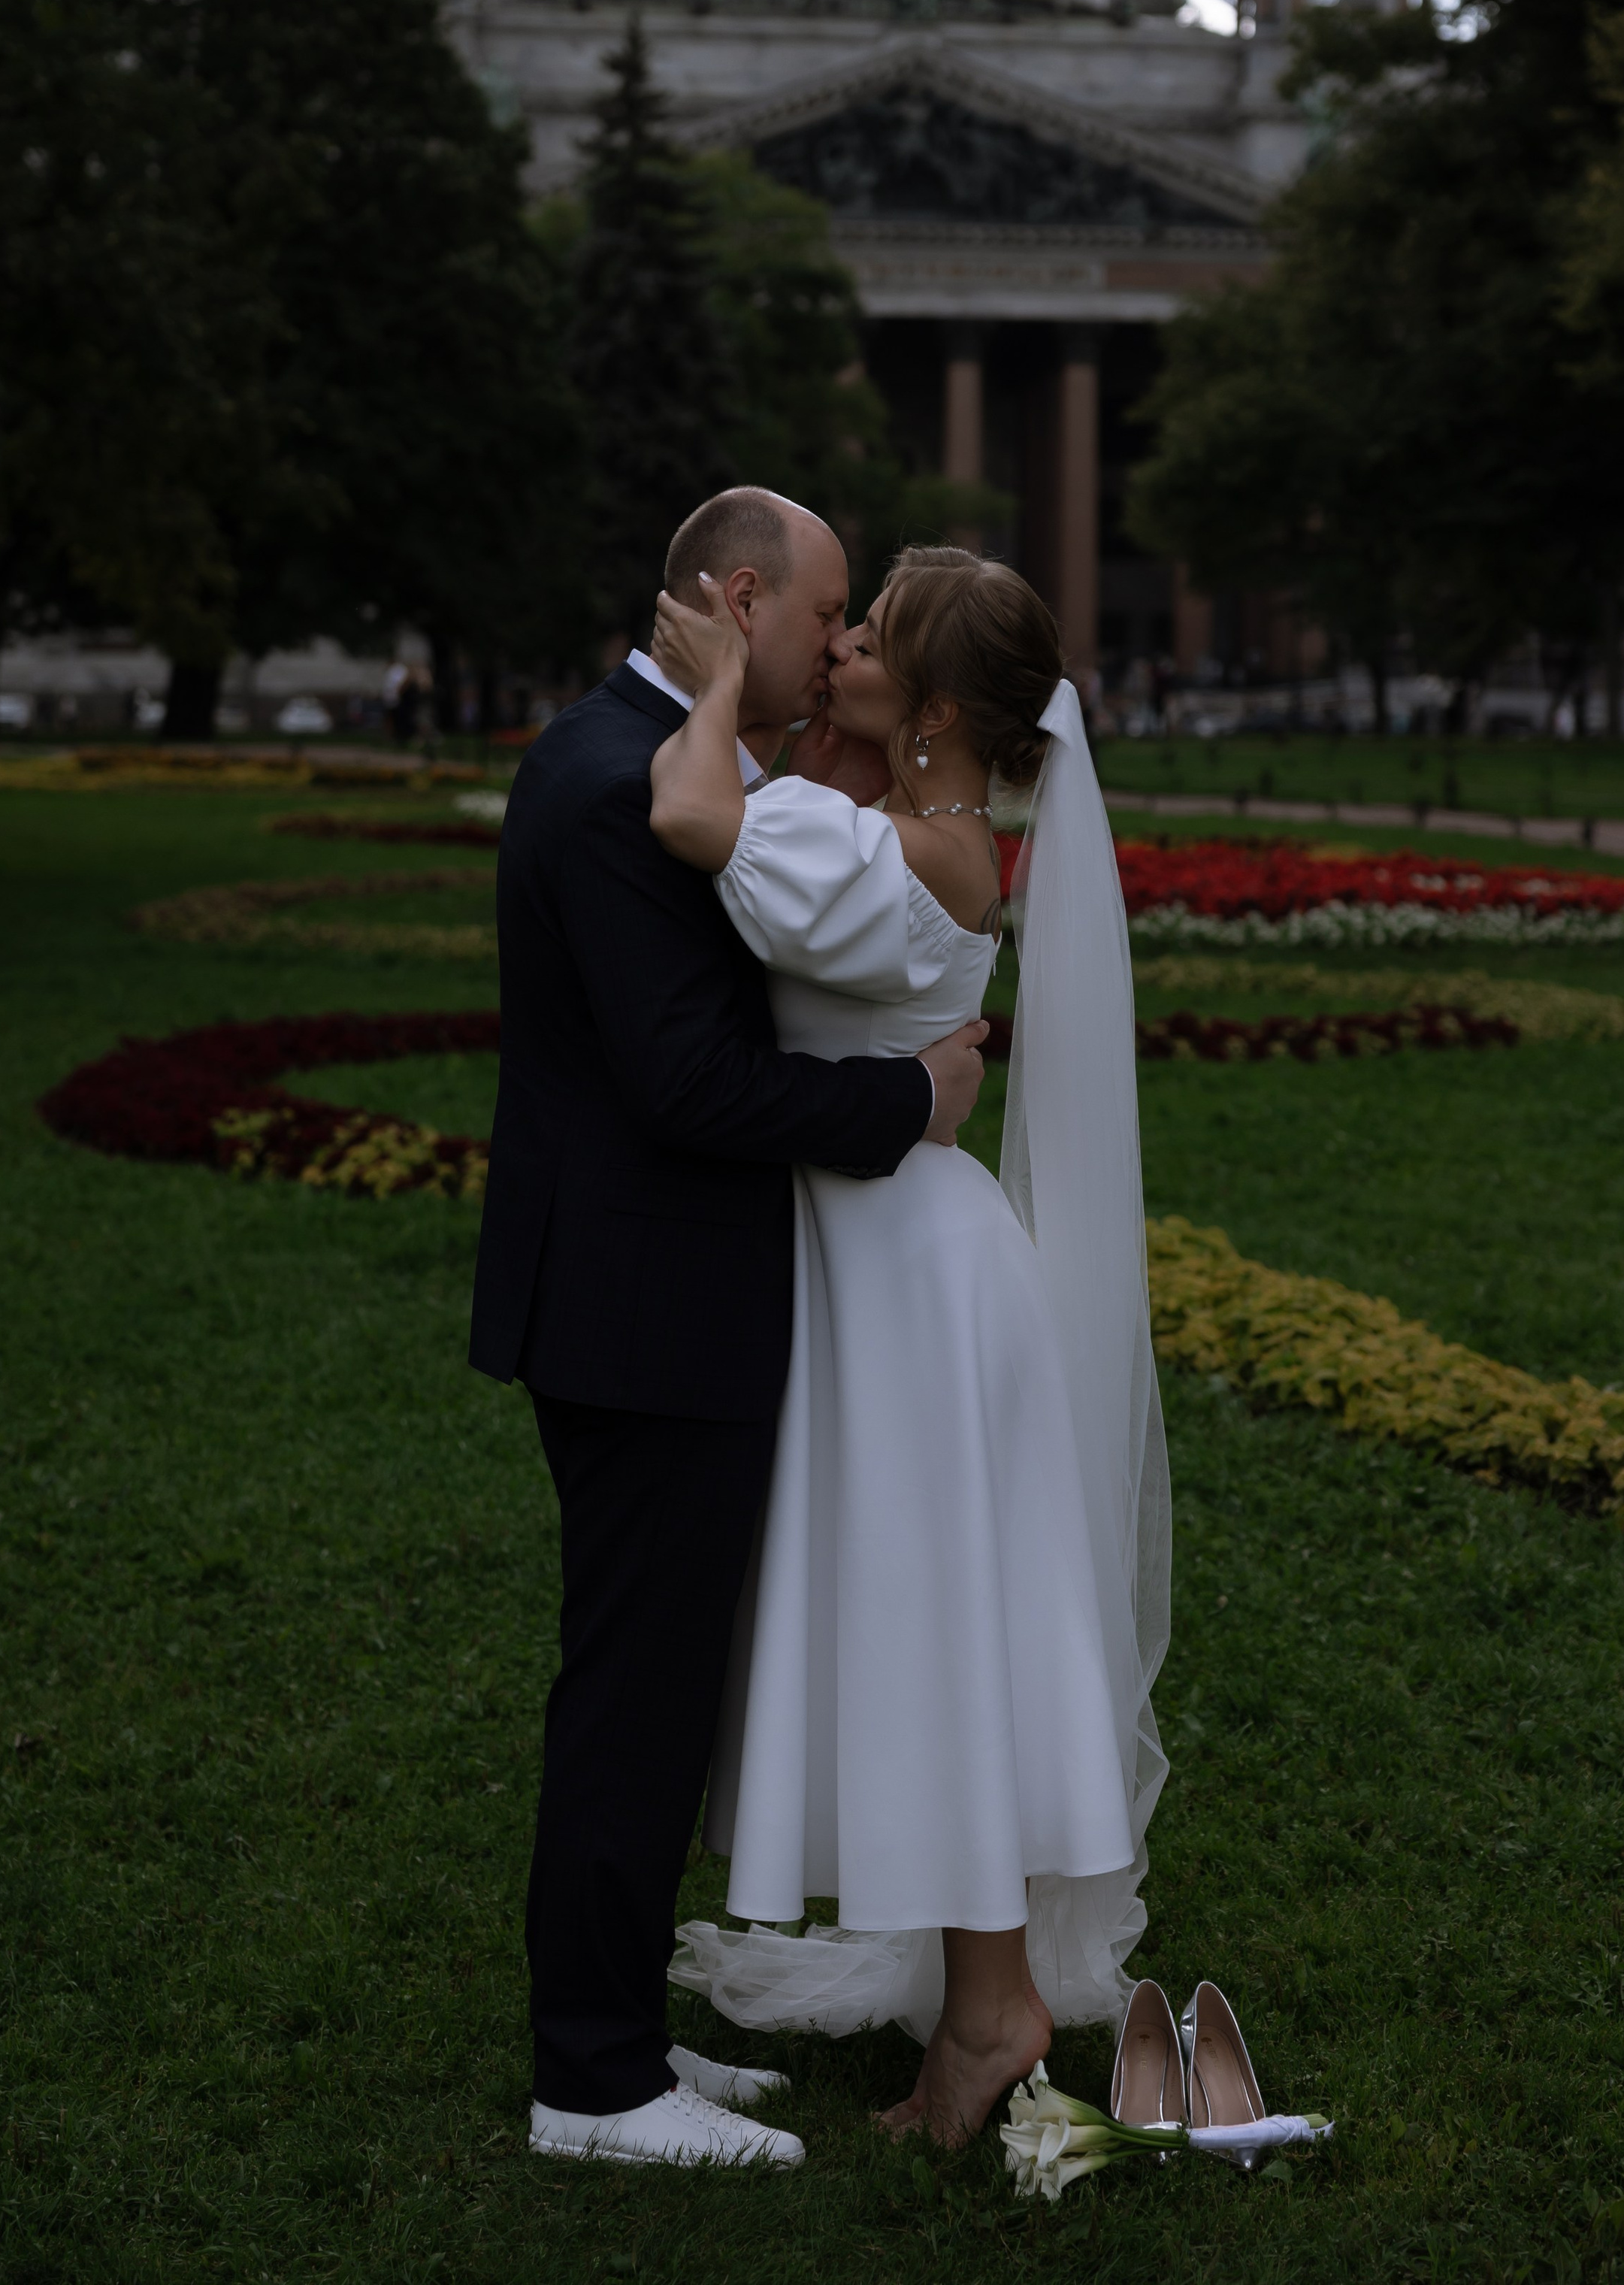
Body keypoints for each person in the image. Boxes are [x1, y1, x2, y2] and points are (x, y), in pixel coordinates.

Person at [470, 489, 990, 2172]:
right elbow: (686, 1084)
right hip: (641, 1306)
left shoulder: (642, 749)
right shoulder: (622, 780)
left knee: (658, 1684)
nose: (834, 649)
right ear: (740, 598)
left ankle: (618, 2024)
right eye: (824, 615)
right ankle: (594, 2087)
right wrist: (909, 1099)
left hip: (641, 1291)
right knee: (634, 1695)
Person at [652, 546, 1170, 2147]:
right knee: (943, 1630)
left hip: (900, 1277)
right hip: (910, 1251)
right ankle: (980, 1999)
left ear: (934, 705)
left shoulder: (885, 853)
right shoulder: (924, 836)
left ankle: (990, 2017)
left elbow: (690, 814)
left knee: (936, 1632)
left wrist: (714, 678)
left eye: (868, 637)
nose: (841, 647)